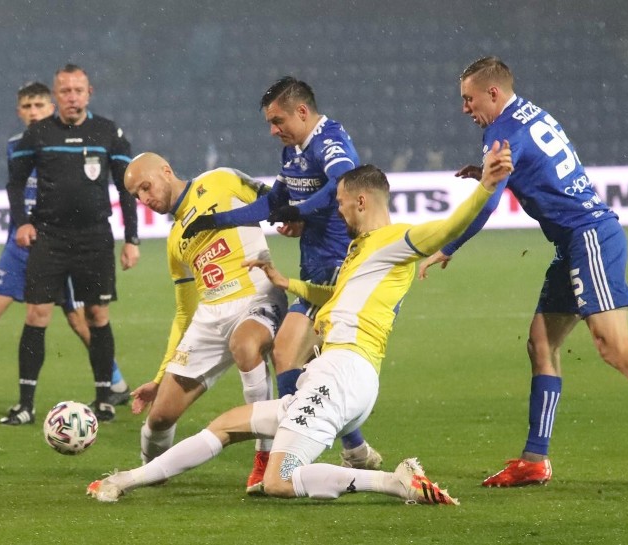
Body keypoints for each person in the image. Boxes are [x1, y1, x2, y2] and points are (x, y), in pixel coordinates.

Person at [87, 150, 513, 505]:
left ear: (361, 201)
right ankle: (128, 479)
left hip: (343, 373)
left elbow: (449, 226)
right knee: (224, 425)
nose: (338, 210)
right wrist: (285, 282)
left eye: (341, 203)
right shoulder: (360, 250)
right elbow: (335, 298)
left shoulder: (395, 239)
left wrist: (487, 186)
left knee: (279, 481)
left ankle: (392, 482)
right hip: (338, 376)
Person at [419, 56, 628, 490]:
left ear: (493, 93)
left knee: (612, 345)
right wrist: (485, 171)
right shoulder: (528, 114)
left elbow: (487, 201)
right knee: (541, 343)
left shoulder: (502, 131)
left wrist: (449, 246)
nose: (465, 107)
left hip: (589, 237)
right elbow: (525, 164)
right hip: (573, 243)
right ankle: (534, 460)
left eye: (469, 98)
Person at [182, 76, 381, 469]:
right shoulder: (294, 153)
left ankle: (296, 451)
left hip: (340, 271)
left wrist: (300, 212)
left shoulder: (330, 140)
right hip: (315, 268)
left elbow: (345, 180)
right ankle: (353, 449)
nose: (274, 131)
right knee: (299, 360)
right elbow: (274, 202)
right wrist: (217, 220)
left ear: (302, 111)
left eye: (278, 121)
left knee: (290, 353)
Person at [0, 82, 130, 411]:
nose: (34, 113)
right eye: (27, 107)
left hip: (58, 244)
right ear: (19, 112)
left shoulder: (64, 141)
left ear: (52, 108)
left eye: (39, 106)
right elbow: (15, 190)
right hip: (20, 249)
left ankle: (115, 383)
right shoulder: (16, 146)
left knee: (80, 320)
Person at [123, 152, 287, 495]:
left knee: (245, 345)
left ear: (166, 171)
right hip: (209, 319)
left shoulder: (219, 180)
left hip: (257, 296)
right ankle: (150, 471)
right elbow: (185, 312)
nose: (144, 199)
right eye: (137, 196)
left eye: (146, 187)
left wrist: (291, 218)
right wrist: (157, 378)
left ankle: (265, 459)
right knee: (159, 419)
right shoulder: (174, 241)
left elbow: (276, 199)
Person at [4, 64, 140, 425]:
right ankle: (25, 404)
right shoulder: (39, 133)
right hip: (49, 237)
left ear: (89, 92)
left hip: (95, 238)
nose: (72, 97)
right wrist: (22, 222)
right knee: (37, 315)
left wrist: (131, 239)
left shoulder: (107, 131)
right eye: (65, 91)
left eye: (78, 90)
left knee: (97, 316)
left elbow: (126, 189)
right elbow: (15, 183)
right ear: (56, 94)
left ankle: (104, 398)